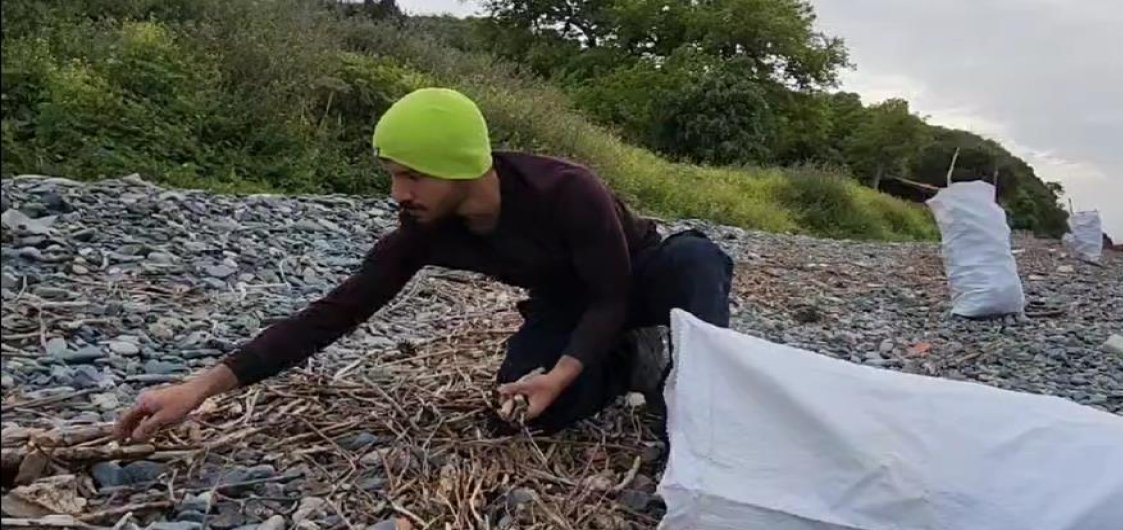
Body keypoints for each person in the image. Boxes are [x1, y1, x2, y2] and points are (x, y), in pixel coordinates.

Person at [113, 88, 735, 443]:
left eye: (413, 174)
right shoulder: (424, 229)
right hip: (571, 306)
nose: (399, 194)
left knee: (698, 259)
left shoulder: (566, 190)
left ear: (462, 166)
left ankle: (705, 406)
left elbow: (610, 293)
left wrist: (569, 362)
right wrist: (197, 388)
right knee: (528, 411)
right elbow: (335, 313)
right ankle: (635, 359)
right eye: (392, 175)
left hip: (638, 277)